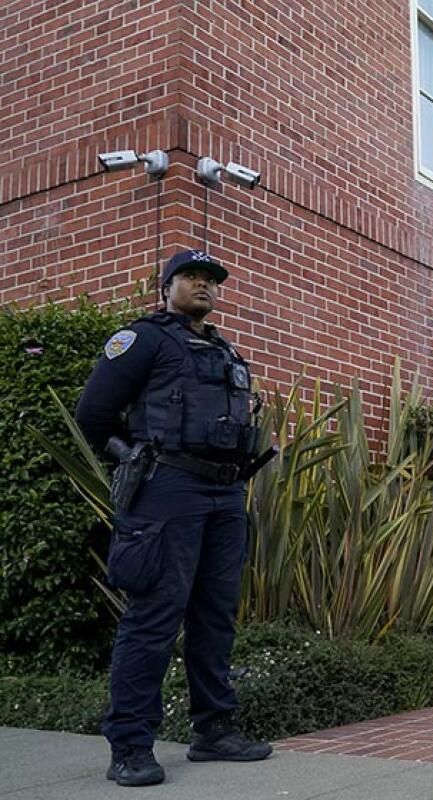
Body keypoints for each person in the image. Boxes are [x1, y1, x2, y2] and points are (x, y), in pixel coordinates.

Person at [75, 249, 271, 787]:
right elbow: (92, 413)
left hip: (224, 493)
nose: (204, 286)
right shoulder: (142, 339)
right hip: (167, 489)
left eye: (211, 280)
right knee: (154, 615)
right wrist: (129, 456)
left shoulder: (223, 348)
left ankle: (213, 730)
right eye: (191, 277)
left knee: (215, 615)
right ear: (167, 286)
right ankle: (131, 746)